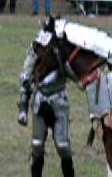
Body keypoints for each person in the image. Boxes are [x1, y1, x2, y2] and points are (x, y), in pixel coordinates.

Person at [18, 38, 75, 176]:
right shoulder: (36, 49)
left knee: (63, 147)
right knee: (37, 145)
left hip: (59, 100)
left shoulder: (63, 50)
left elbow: (74, 74)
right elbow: (26, 79)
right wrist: (23, 108)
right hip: (40, 100)